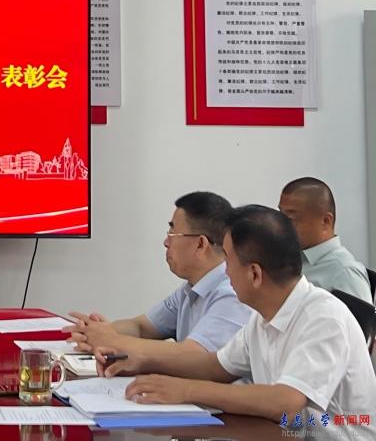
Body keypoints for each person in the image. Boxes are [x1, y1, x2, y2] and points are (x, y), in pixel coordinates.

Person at [95, 205, 376, 438]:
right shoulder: (264, 315)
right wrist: (142, 362)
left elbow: (285, 402)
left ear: (254, 274)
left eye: (227, 260)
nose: (224, 270)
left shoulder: (323, 318)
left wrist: (185, 389)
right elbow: (216, 366)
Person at [66, 192, 250, 357]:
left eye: (173, 233)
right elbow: (141, 327)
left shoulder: (231, 293)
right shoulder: (190, 289)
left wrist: (112, 340)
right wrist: (96, 331)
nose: (166, 242)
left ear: (200, 244)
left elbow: (193, 354)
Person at [278, 177, 371, 301]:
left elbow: (359, 315)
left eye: (290, 219)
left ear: (325, 221)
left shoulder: (345, 273)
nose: (281, 226)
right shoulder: (290, 260)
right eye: (280, 217)